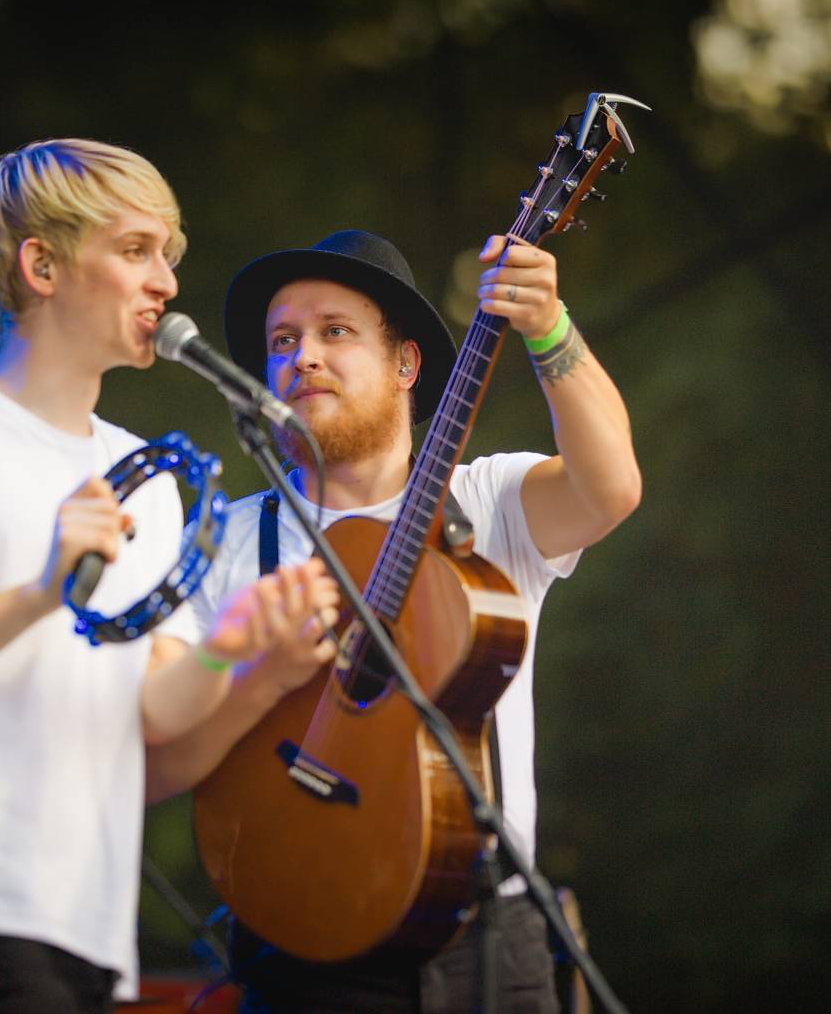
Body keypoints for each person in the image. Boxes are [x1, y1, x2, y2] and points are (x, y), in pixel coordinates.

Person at [0, 138, 338, 1014]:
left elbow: (155, 712)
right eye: (136, 251)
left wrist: (233, 651)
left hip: (89, 920)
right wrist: (39, 592)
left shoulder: (150, 479)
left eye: (168, 258)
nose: (166, 283)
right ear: (42, 265)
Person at [146, 229, 641, 1013]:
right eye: (282, 341)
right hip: (297, 945)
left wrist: (547, 327)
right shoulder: (223, 539)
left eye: (333, 332)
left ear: (406, 365)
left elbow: (610, 487)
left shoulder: (486, 502)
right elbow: (157, 737)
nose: (300, 357)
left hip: (485, 940)